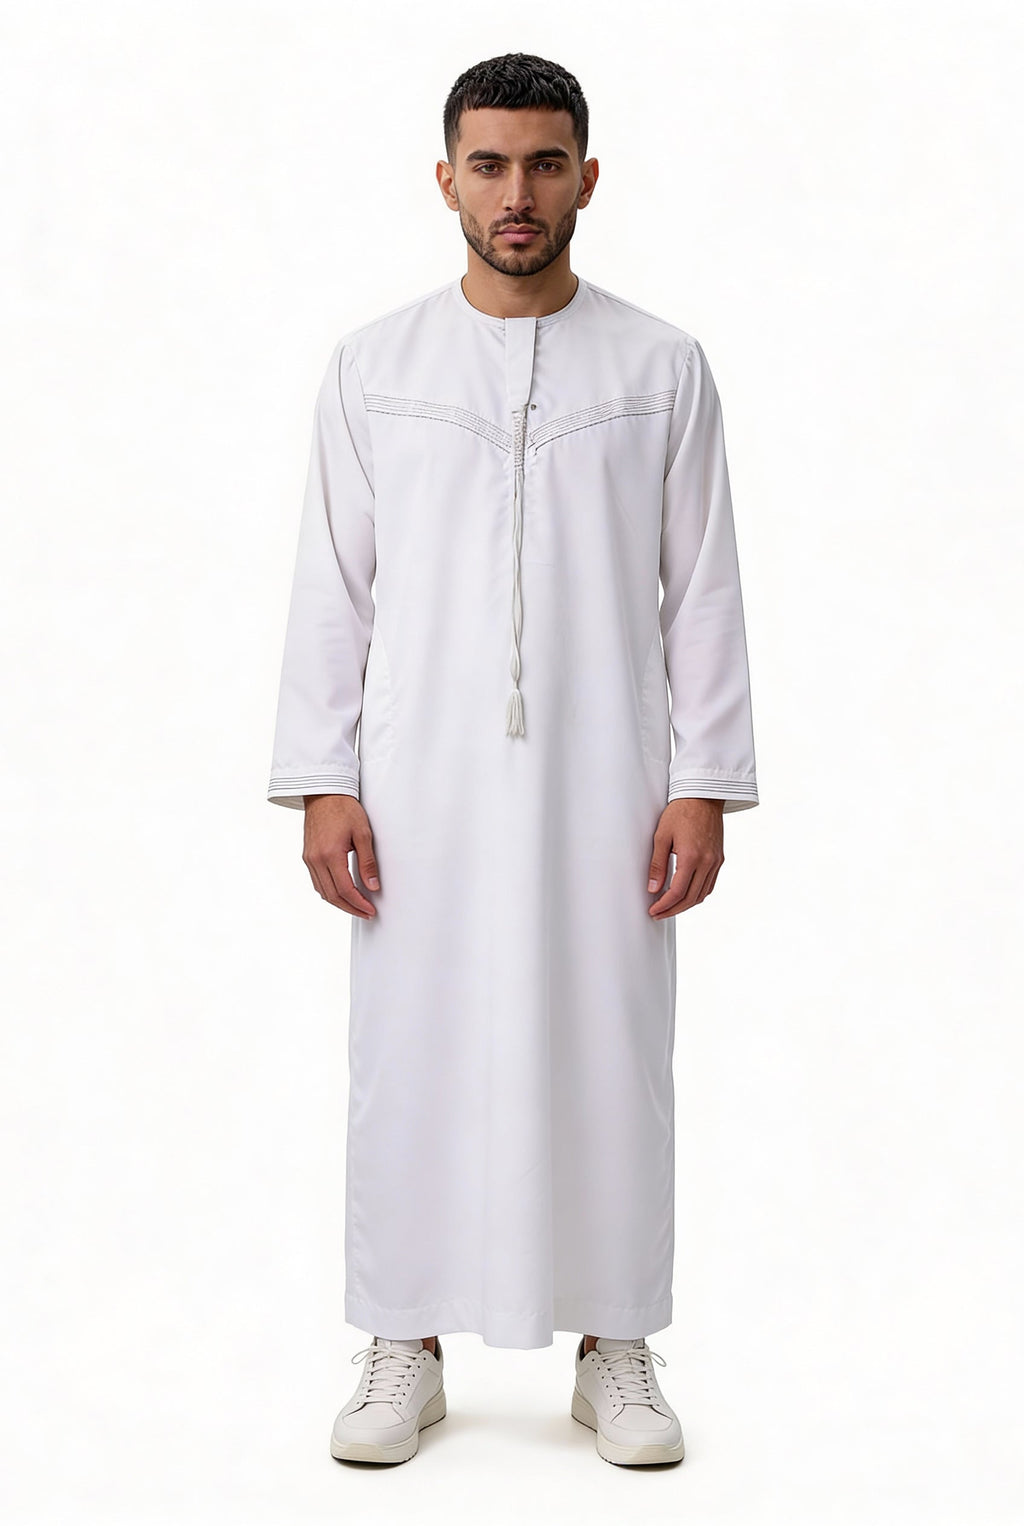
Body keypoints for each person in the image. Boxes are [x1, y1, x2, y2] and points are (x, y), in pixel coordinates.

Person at [266, 51, 759, 1468]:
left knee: (612, 1044)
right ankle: (401, 1339)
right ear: (447, 181)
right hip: (417, 780)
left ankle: (618, 1341)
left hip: (610, 776)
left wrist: (703, 781)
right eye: (489, 165)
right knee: (409, 1044)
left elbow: (704, 588)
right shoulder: (376, 367)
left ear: (587, 178)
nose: (517, 193)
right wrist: (325, 774)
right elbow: (332, 585)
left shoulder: (660, 367)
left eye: (545, 163)